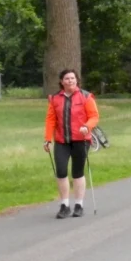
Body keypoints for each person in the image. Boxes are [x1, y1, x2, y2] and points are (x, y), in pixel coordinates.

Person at [44, 69, 100, 219]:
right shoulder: (55, 98)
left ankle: (79, 205)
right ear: (62, 81)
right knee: (61, 171)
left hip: (81, 140)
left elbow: (94, 116)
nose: (70, 81)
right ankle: (64, 205)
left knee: (77, 172)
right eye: (67, 78)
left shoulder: (86, 96)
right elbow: (50, 120)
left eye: (73, 78)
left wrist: (87, 126)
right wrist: (48, 139)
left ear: (77, 80)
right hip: (62, 140)